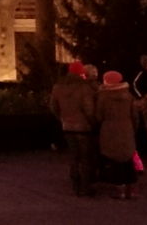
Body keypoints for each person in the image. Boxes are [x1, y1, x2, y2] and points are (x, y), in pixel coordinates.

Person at [50, 61, 97, 197]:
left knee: (73, 157)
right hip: (84, 128)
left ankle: (75, 186)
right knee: (85, 158)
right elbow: (89, 109)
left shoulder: (58, 87)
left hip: (67, 127)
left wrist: (63, 118)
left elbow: (53, 107)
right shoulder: (84, 88)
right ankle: (85, 187)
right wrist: (93, 123)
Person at [96, 70, 140, 199]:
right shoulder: (128, 96)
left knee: (115, 161)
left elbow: (98, 116)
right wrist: (132, 129)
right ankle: (131, 189)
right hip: (126, 129)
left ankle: (119, 190)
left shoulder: (103, 97)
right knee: (128, 159)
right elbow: (135, 116)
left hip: (109, 129)